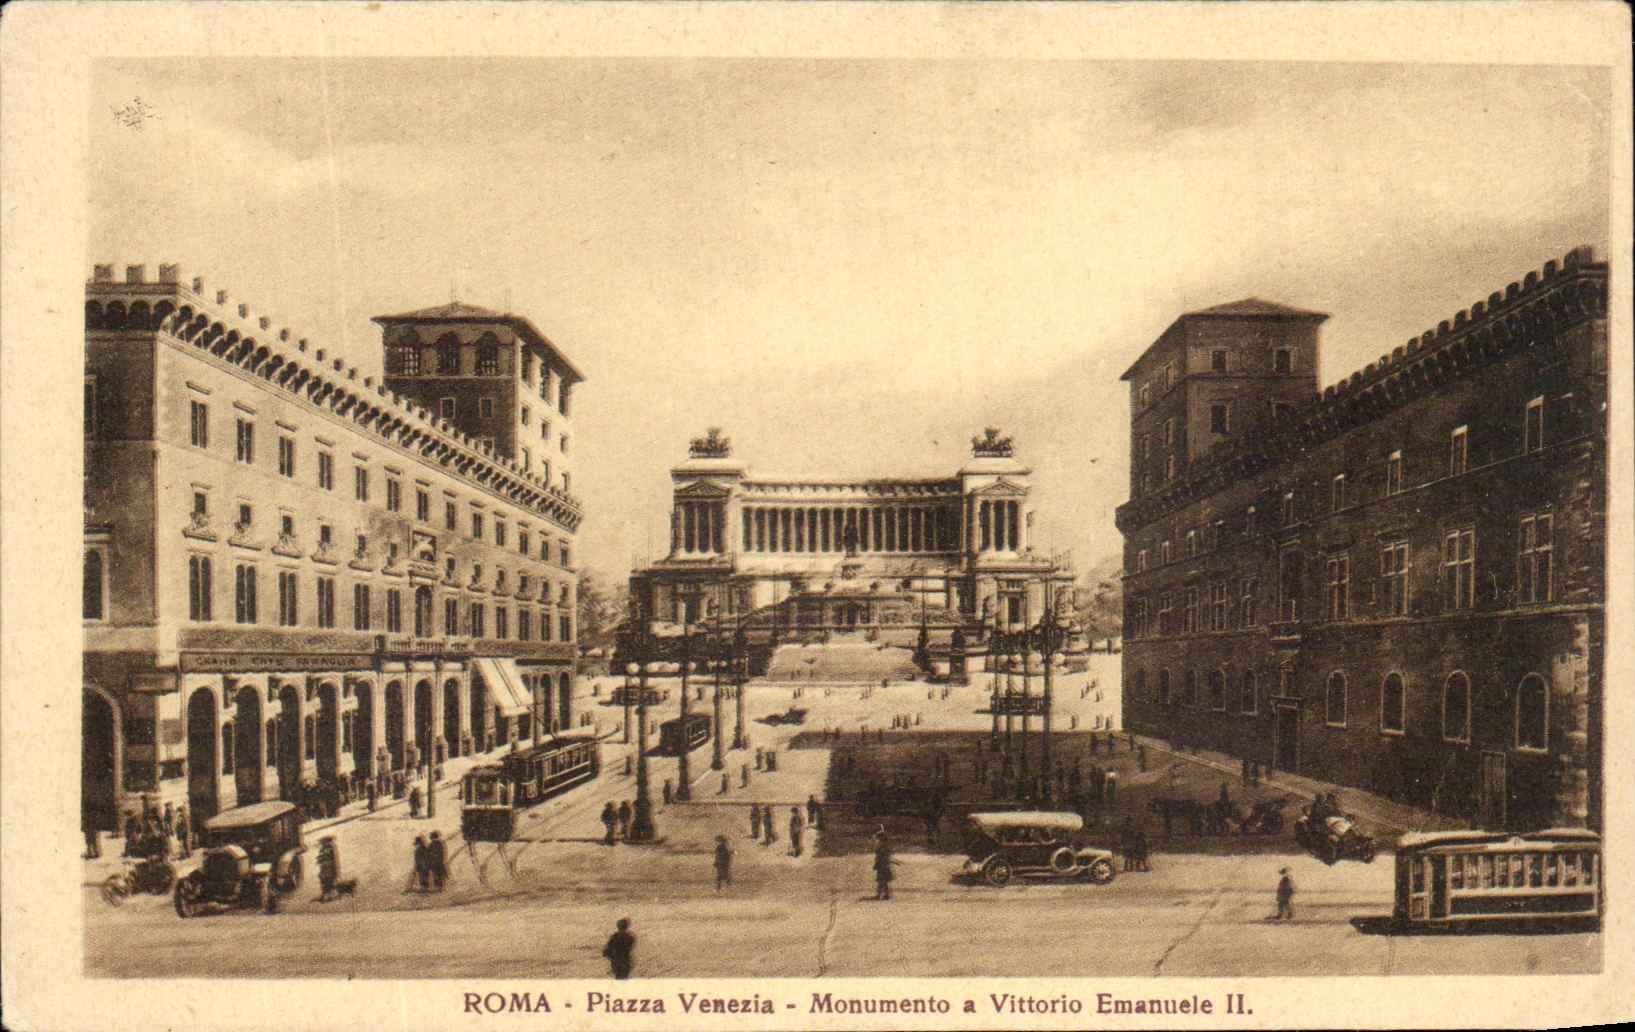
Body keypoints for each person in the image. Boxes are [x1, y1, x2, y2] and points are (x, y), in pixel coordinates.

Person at [873, 829, 897, 900]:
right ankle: (884, 894)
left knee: (882, 881)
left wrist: (877, 863)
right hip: (884, 865)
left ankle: (881, 894)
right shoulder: (885, 846)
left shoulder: (881, 846)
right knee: (883, 881)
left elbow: (881, 857)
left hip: (882, 866)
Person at [317, 836, 340, 902]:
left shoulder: (329, 848)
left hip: (328, 869)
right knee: (325, 882)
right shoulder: (327, 848)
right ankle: (327, 895)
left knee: (328, 882)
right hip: (326, 869)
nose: (321, 843)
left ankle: (329, 896)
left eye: (322, 842)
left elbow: (331, 860)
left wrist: (322, 861)